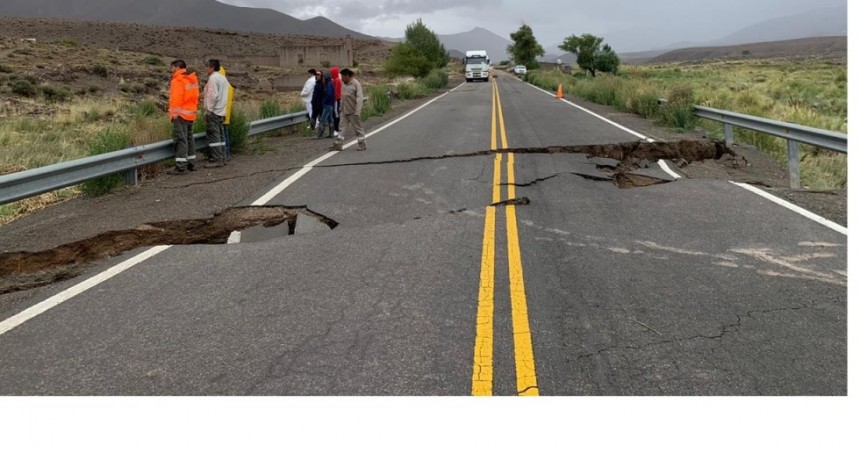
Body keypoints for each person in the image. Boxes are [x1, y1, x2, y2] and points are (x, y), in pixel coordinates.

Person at [166, 59, 199, 175]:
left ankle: (181, 167)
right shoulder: (192, 79)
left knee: (181, 140)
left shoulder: (177, 80)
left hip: (180, 115)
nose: (171, 70)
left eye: (172, 68)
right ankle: (192, 163)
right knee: (189, 139)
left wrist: (174, 115)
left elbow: (176, 99)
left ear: (177, 68)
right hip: (191, 115)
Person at [203, 59, 229, 168]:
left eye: (207, 66)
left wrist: (209, 110)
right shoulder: (223, 78)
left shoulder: (213, 78)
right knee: (221, 135)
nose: (206, 69)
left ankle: (217, 159)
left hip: (214, 111)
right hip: (221, 111)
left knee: (214, 136)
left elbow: (212, 96)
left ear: (212, 67)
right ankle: (223, 157)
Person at [335, 68, 366, 151]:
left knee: (358, 128)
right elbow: (342, 97)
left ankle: (362, 144)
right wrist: (340, 108)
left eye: (343, 77)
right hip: (344, 110)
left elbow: (359, 98)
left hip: (353, 111)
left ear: (348, 76)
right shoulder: (344, 84)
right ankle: (338, 144)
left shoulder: (356, 84)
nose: (341, 78)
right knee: (342, 128)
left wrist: (357, 111)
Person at [218, 65, 235, 161]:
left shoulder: (221, 84)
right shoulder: (227, 84)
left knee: (222, 135)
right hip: (226, 114)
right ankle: (227, 153)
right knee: (225, 134)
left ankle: (225, 154)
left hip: (221, 114)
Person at [316, 70, 335, 139]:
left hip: (328, 104)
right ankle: (331, 133)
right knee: (330, 119)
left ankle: (320, 134)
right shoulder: (329, 84)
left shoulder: (329, 85)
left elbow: (329, 94)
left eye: (323, 77)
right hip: (330, 104)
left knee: (322, 119)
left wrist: (324, 101)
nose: (322, 78)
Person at [330, 66, 342, 137]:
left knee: (336, 114)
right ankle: (336, 129)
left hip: (336, 100)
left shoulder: (337, 80)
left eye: (332, 72)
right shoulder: (335, 80)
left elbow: (337, 92)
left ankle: (336, 129)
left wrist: (335, 99)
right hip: (335, 100)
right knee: (335, 114)